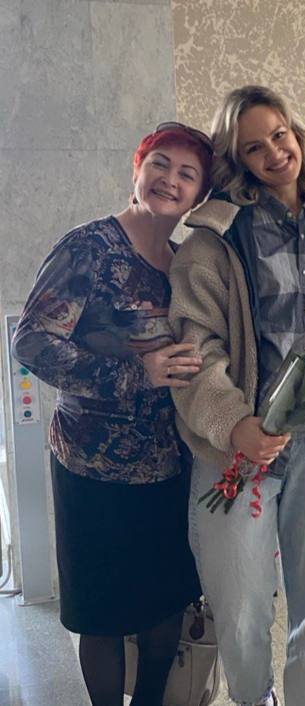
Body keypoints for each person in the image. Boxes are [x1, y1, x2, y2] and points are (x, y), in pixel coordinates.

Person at [168, 85, 305, 706]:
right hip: (238, 448)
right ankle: (254, 698)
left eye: (280, 135)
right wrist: (235, 425)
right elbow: (196, 349)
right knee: (240, 608)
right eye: (254, 147)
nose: (275, 153)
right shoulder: (213, 240)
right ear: (237, 160)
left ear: (296, 133)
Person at [12, 122, 212, 706]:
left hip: (171, 464)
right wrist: (135, 373)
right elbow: (32, 343)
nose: (170, 180)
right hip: (92, 465)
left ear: (199, 194)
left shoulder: (185, 263)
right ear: (138, 168)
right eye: (160, 164)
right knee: (101, 614)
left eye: (187, 173)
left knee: (164, 606)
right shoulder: (90, 248)